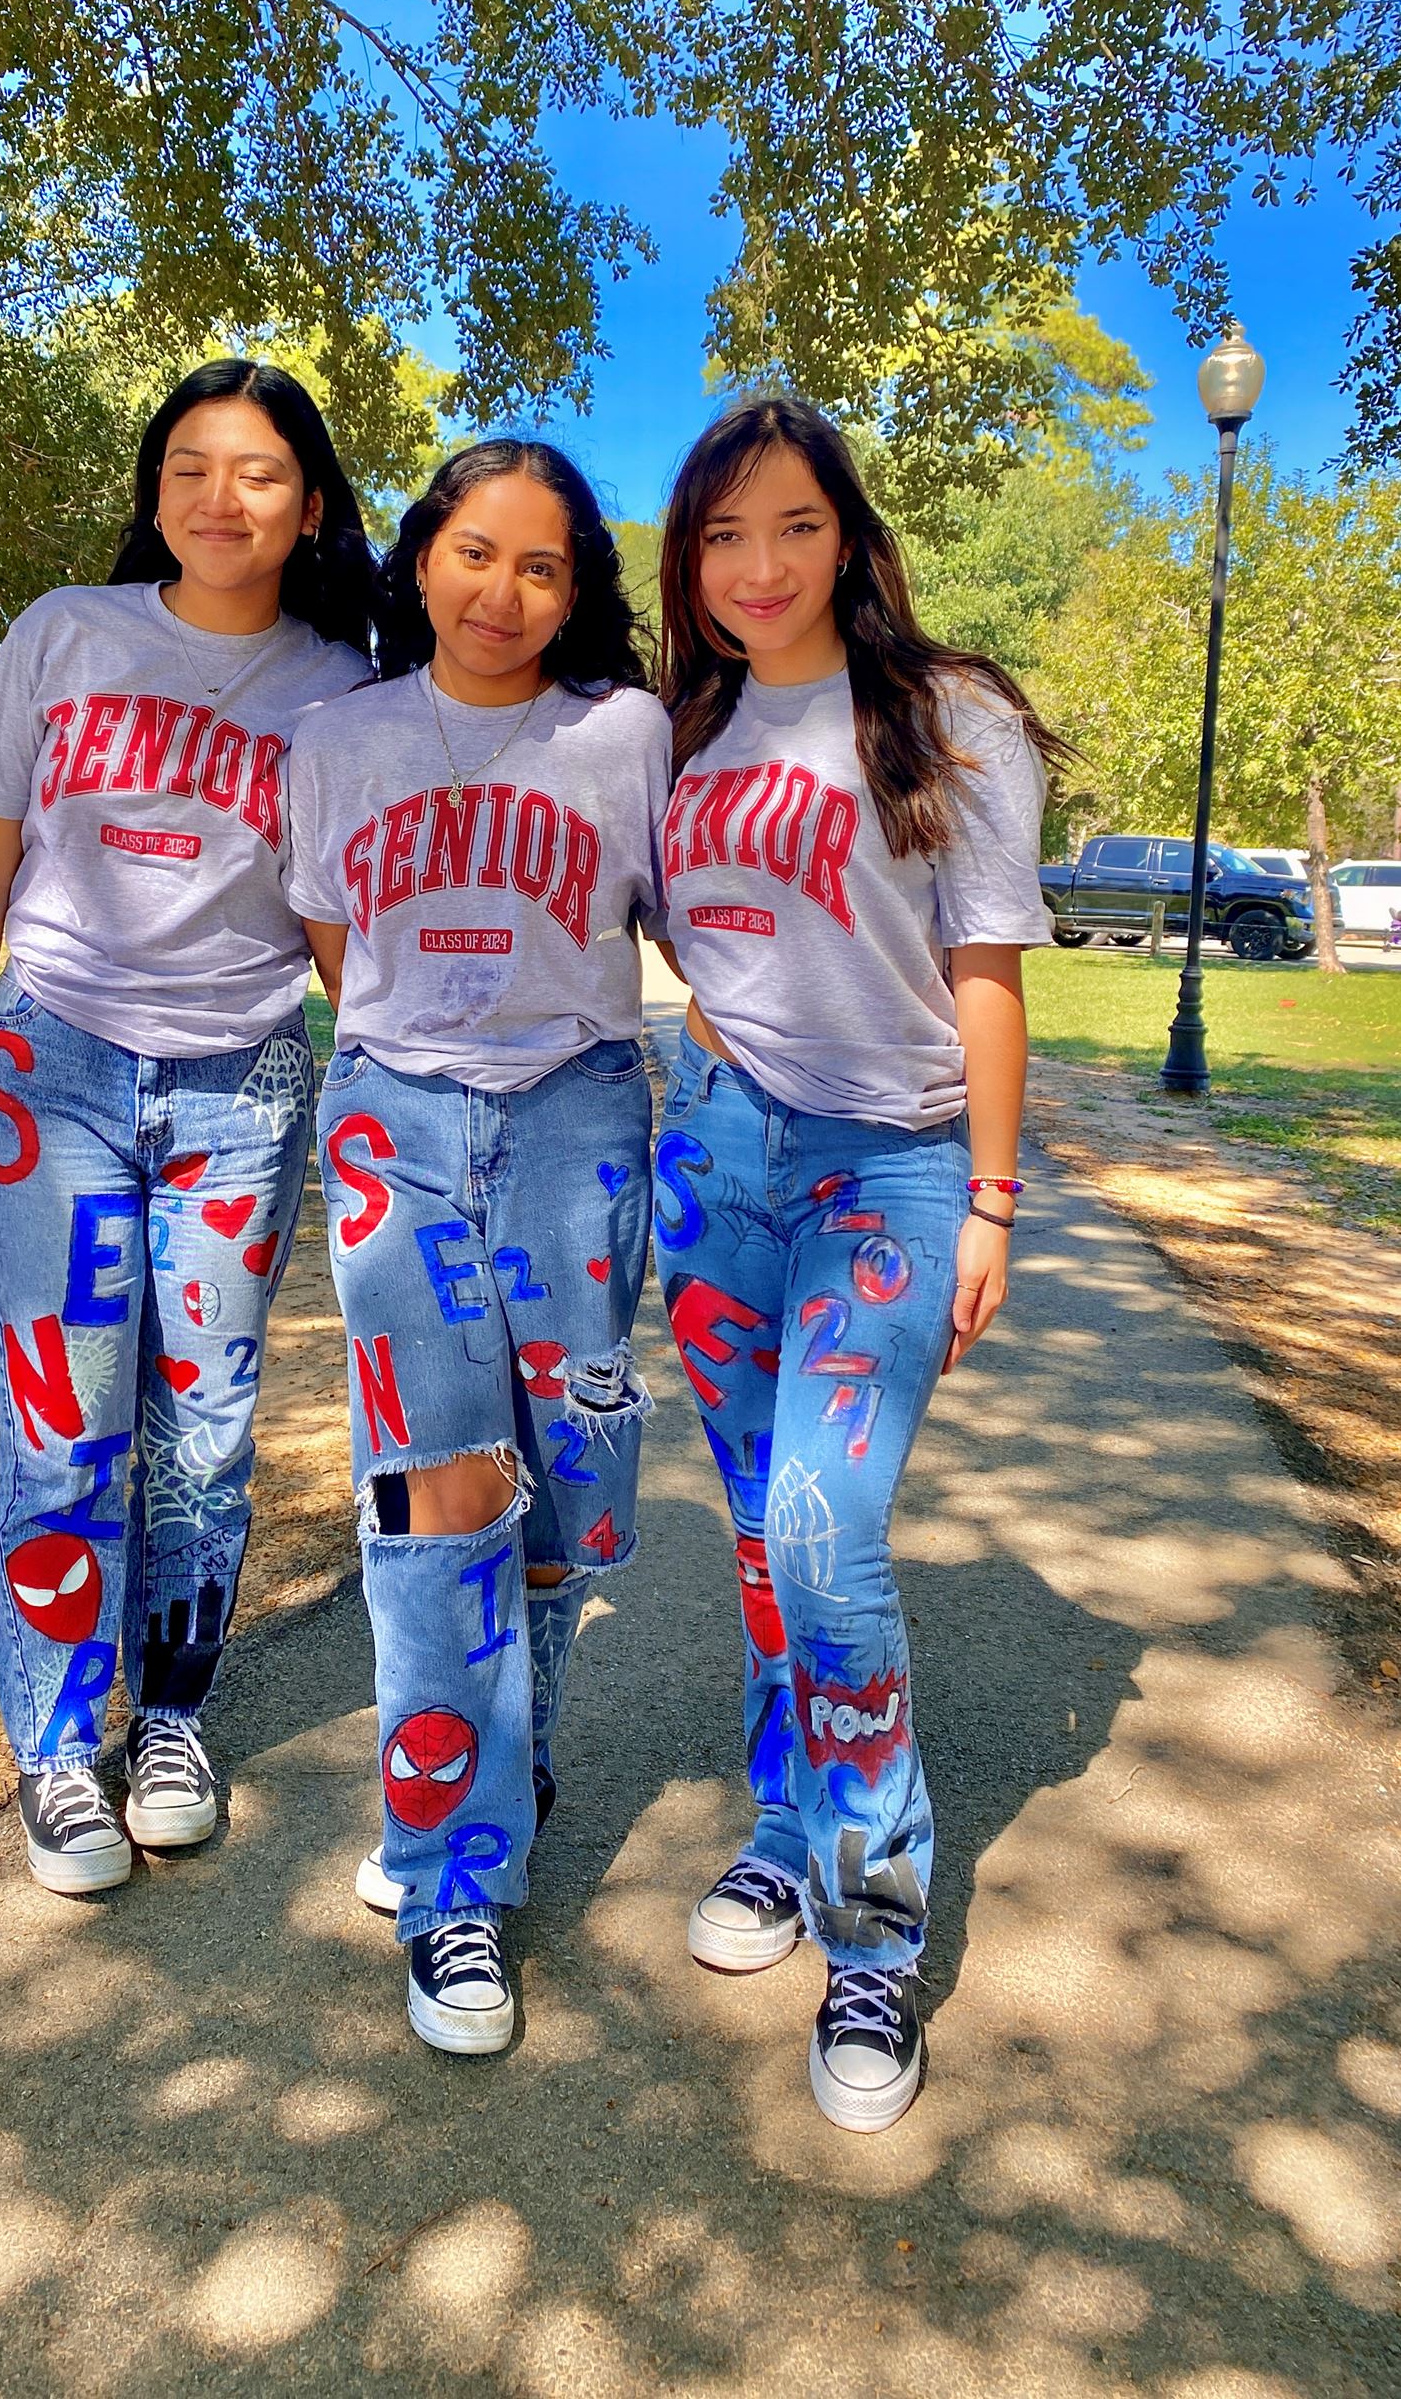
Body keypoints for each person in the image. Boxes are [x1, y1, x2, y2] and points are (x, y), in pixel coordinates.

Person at [651, 397, 1066, 2132]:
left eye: (794, 528)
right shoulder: (672, 731)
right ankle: (781, 1823)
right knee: (759, 1524)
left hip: (887, 1175)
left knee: (825, 1525)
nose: (758, 567)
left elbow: (983, 966)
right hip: (717, 1147)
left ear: (849, 536)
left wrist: (986, 1195)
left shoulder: (946, 715)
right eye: (722, 536)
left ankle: (875, 1928)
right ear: (687, 562)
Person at [0, 360, 375, 1896]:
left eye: (254, 472)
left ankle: (171, 1713)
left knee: (207, 1428)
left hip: (242, 1081)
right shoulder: (66, 634)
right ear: (153, 491)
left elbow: (335, 922)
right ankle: (57, 1748)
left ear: (309, 506)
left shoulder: (341, 687)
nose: (218, 497)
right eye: (188, 467)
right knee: (64, 1427)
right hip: (48, 1064)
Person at [288, 439, 668, 2055]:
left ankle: (493, 1754)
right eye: (470, 552)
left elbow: (686, 924)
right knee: (435, 1488)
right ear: (418, 559)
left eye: (541, 566)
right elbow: (330, 939)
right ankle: (456, 1880)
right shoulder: (336, 739)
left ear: (576, 591)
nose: (500, 592)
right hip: (396, 1121)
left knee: (562, 1493)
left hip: (577, 1118)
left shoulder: (626, 735)